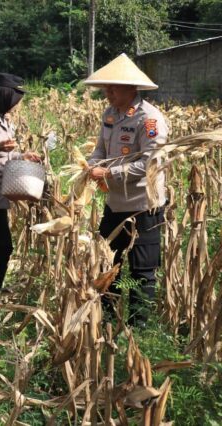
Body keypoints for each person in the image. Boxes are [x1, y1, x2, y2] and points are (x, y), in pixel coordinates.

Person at [85, 54, 168, 326]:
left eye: (114, 87)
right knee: (108, 262)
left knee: (142, 269)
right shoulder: (110, 114)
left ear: (133, 89)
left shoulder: (150, 120)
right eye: (106, 87)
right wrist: (91, 165)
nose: (107, 92)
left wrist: (109, 173)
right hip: (115, 203)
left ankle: (138, 324)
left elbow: (149, 164)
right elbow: (101, 148)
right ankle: (108, 316)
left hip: (144, 205)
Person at [0, 73, 41, 295]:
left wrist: (22, 155)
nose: (16, 106)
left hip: (0, 191)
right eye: (14, 100)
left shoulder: (3, 120)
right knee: (2, 245)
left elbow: (5, 155)